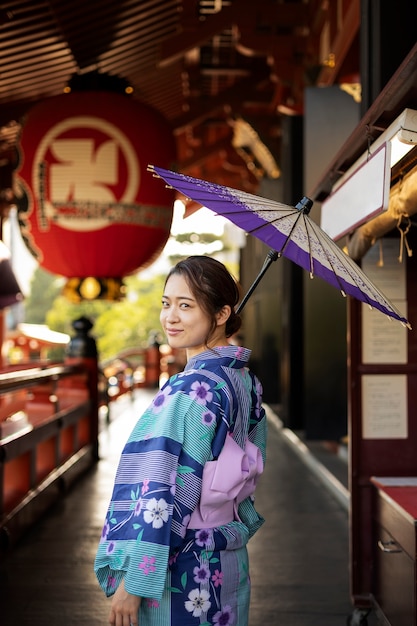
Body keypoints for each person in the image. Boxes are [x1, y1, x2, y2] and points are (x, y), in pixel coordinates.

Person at [94, 255, 267, 626]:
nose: (171, 317)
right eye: (166, 303)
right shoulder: (245, 382)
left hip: (183, 566)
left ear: (221, 314)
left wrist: (136, 580)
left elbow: (168, 490)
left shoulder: (193, 389)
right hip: (226, 554)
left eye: (186, 305)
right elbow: (252, 460)